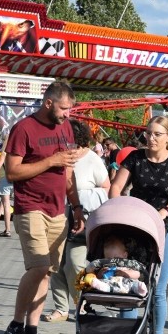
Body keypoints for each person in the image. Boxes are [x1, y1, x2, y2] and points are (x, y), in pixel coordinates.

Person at [3, 81, 84, 334]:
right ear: (48, 103)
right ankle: (15, 324)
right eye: (63, 108)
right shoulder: (24, 128)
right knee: (38, 267)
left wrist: (77, 206)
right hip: (30, 207)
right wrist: (51, 161)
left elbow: (68, 172)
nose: (67, 114)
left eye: (70, 109)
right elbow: (12, 172)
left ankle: (32, 331)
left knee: (47, 273)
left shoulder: (66, 127)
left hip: (57, 210)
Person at [109, 116, 168, 334]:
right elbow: (115, 187)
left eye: (157, 134)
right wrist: (119, 206)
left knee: (156, 286)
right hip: (137, 225)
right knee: (130, 281)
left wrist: (164, 212)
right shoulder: (136, 158)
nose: (151, 138)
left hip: (166, 227)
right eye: (148, 133)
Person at [43, 120, 109, 323]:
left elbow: (106, 188)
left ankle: (81, 303)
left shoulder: (92, 159)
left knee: (74, 264)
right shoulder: (58, 156)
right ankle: (61, 308)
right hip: (56, 215)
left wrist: (82, 197)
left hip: (82, 220)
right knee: (54, 264)